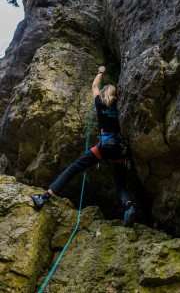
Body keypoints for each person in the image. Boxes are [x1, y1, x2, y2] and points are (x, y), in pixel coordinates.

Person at [31, 66, 136, 228]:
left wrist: (101, 71)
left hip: (103, 146)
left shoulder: (99, 102)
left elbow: (94, 86)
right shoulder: (118, 105)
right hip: (119, 148)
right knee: (121, 185)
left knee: (74, 168)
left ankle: (44, 197)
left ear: (103, 94)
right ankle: (129, 206)